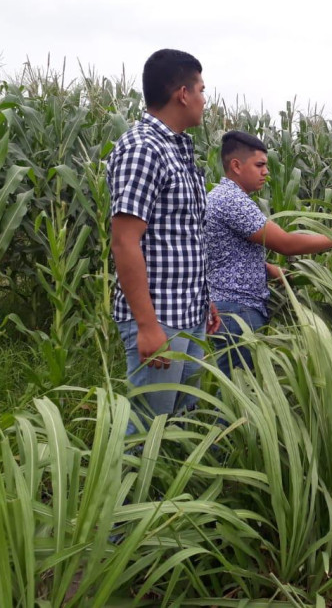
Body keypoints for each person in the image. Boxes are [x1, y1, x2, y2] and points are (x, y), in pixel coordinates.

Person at [106, 49, 221, 435]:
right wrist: (148, 326)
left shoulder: (178, 150)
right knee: (144, 431)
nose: (206, 99)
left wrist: (204, 302)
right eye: (202, 90)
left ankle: (169, 495)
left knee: (178, 429)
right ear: (183, 94)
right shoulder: (144, 149)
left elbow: (182, 235)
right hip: (161, 320)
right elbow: (125, 242)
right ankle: (126, 496)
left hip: (188, 316)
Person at [205, 130, 332, 375]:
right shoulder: (232, 201)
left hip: (233, 308)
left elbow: (226, 255)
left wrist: (268, 270)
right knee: (240, 397)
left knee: (240, 391)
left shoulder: (220, 197)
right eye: (259, 165)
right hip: (238, 311)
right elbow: (285, 244)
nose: (266, 171)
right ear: (235, 165)